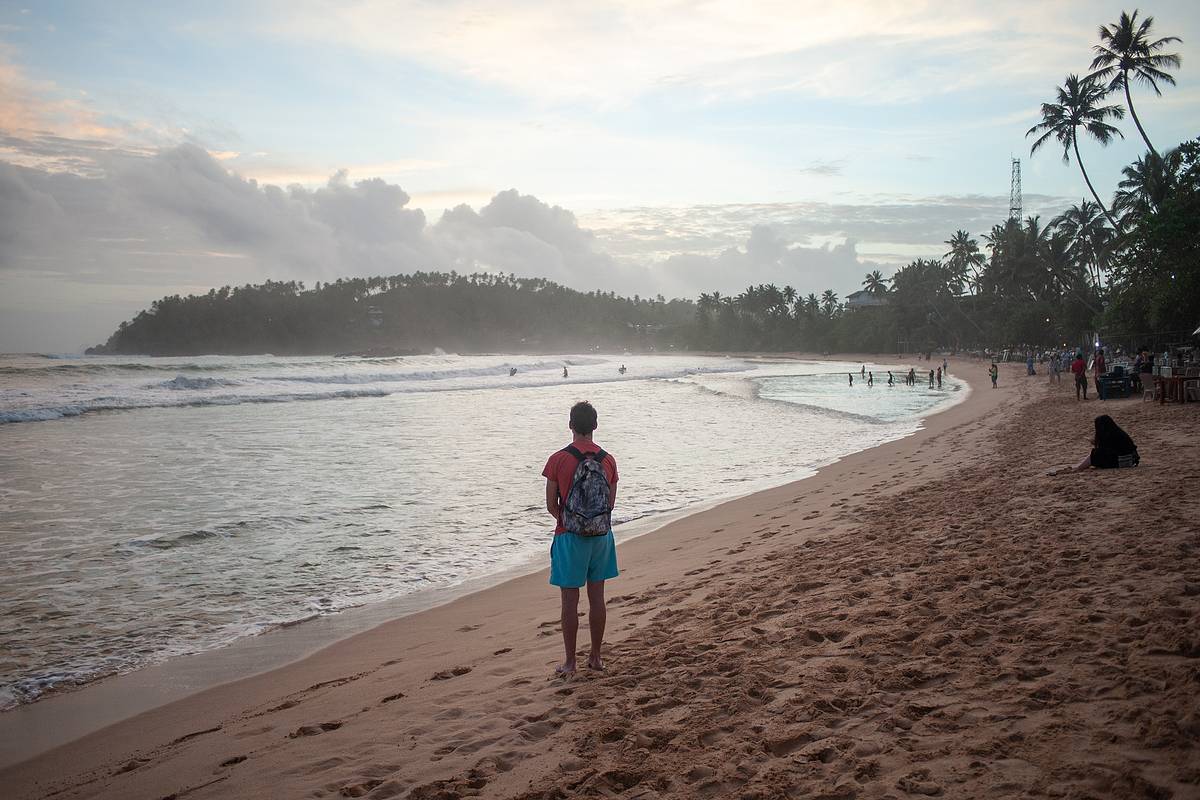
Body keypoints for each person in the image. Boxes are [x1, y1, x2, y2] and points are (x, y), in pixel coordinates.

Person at [542, 401, 619, 675]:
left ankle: (570, 662)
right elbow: (610, 503)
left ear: (571, 425)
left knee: (569, 602)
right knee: (597, 598)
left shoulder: (558, 460)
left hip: (569, 536)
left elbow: (551, 503)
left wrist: (570, 521)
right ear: (595, 426)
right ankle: (596, 657)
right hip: (601, 537)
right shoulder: (608, 460)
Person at [1059, 414, 1139, 472]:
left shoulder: (1111, 434)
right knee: (1097, 453)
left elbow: (1103, 448)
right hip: (1131, 459)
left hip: (1123, 461)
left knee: (1096, 453)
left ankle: (1079, 467)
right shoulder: (1117, 432)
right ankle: (1080, 466)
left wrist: (1094, 442)